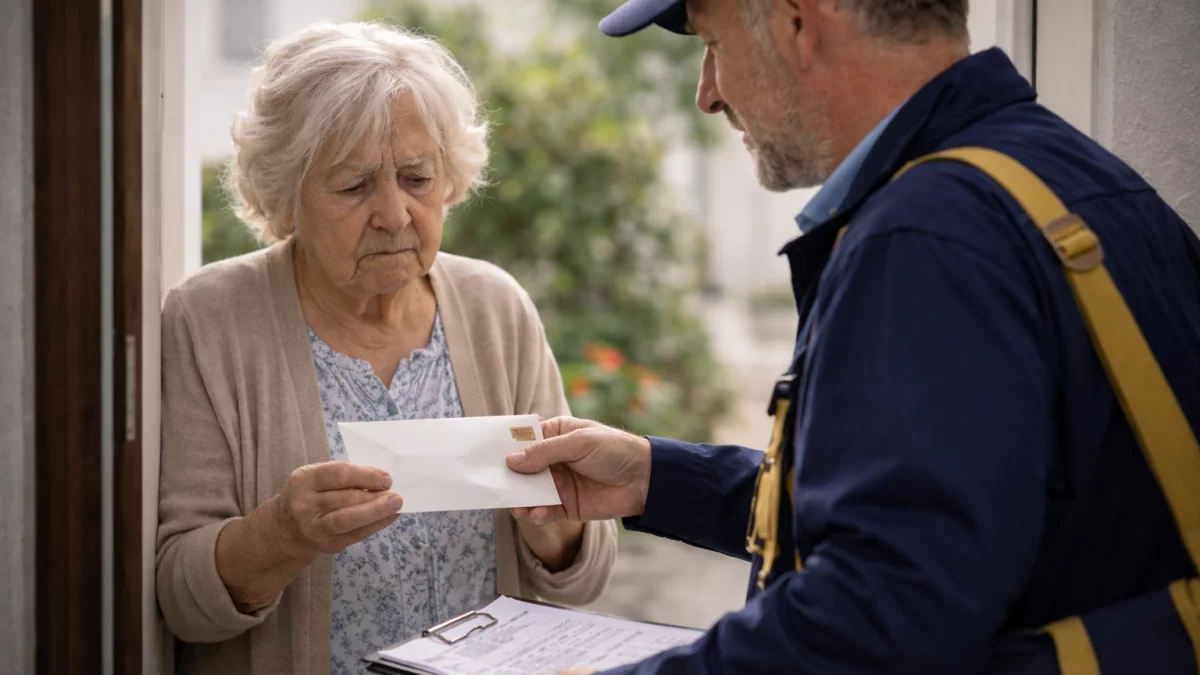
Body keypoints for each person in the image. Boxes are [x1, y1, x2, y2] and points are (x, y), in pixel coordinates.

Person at [507, 0, 1200, 673]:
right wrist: (659, 478)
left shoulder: (928, 238)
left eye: (713, 46)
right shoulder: (1080, 182)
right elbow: (948, 517)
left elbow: (878, 619)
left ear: (799, 20)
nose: (707, 95)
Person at [155, 22, 617, 675]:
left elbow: (582, 576)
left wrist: (555, 527)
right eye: (354, 186)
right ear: (286, 195)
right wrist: (282, 534)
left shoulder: (495, 309)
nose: (395, 214)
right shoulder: (211, 319)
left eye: (417, 177)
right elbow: (180, 598)